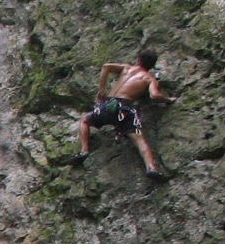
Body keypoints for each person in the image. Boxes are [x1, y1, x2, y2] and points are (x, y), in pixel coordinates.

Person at [68, 52, 177, 181]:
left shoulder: (127, 68)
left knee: (85, 121)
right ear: (152, 66)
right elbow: (155, 96)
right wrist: (168, 100)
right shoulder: (149, 78)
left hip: (108, 105)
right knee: (139, 139)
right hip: (125, 109)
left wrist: (102, 92)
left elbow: (106, 66)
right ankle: (151, 168)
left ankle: (85, 150)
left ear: (138, 59)